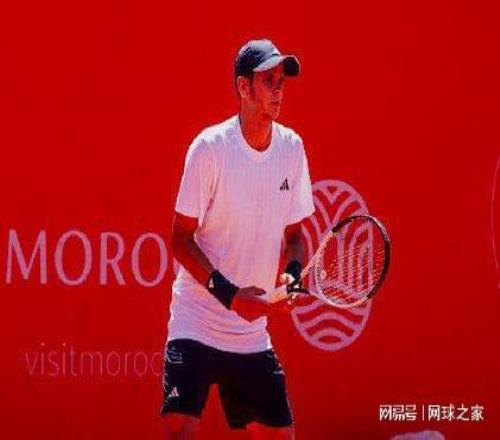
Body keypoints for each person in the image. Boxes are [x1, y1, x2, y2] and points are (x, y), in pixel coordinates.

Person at [161, 39, 315, 439]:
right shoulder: (210, 149)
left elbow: (295, 236)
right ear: (243, 88)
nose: (278, 90)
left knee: (280, 436)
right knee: (180, 431)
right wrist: (230, 296)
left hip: (250, 336)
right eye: (268, 81)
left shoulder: (292, 149)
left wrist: (293, 274)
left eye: (281, 82)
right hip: (196, 322)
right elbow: (180, 239)